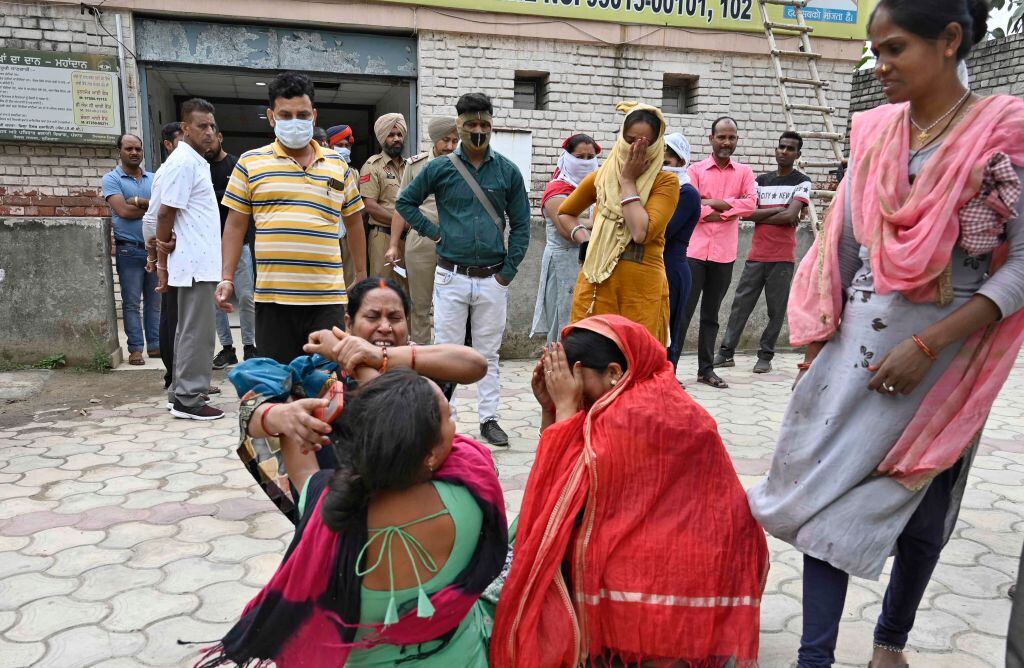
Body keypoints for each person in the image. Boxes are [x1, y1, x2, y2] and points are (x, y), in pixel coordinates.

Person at [747, 1, 1024, 666]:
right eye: (876, 51)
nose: (880, 65)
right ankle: (815, 659)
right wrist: (816, 349)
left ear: (950, 39)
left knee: (922, 511)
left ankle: (889, 644)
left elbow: (1019, 267)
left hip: (947, 362)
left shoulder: (1005, 134)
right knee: (825, 502)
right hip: (855, 356)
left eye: (896, 48)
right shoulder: (875, 133)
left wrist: (928, 344)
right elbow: (841, 246)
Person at [490, 314, 768, 667]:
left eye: (573, 377)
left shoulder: (637, 414)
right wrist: (552, 408)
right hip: (667, 541)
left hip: (684, 558)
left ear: (613, 373)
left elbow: (565, 492)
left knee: (559, 542)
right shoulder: (629, 396)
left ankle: (639, 642)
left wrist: (563, 408)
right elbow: (554, 485)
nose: (567, 387)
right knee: (534, 532)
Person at [199, 371, 509, 667]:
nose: (456, 430)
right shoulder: (469, 503)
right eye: (449, 418)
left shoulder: (325, 507)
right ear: (430, 453)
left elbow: (303, 467)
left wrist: (289, 415)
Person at [230, 277, 489, 520]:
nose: (385, 327)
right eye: (373, 316)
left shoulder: (420, 364)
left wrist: (379, 358)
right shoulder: (317, 370)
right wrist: (279, 416)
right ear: (348, 324)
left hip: (416, 511)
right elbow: (250, 387)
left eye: (395, 318)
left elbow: (475, 364)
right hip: (335, 511)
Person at [395, 93, 531, 447]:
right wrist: (433, 232)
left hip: (492, 278)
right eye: (471, 124)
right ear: (459, 125)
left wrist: (508, 272)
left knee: (488, 353)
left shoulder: (507, 171)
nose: (478, 130)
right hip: (451, 275)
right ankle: (446, 419)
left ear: (492, 125)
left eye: (484, 124)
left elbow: (521, 225)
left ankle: (489, 419)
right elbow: (404, 202)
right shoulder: (439, 168)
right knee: (446, 352)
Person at [217, 71, 368, 364]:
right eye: (285, 115)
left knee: (327, 385)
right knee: (278, 383)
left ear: (314, 115)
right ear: (271, 116)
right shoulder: (250, 163)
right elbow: (235, 226)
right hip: (274, 301)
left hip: (327, 299)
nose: (294, 121)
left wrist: (361, 275)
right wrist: (227, 277)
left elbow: (353, 222)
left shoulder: (338, 166)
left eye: (302, 114)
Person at [559, 103, 680, 345]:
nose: (636, 148)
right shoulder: (602, 177)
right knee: (591, 359)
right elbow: (566, 213)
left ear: (657, 144)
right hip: (596, 284)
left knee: (635, 360)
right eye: (630, 139)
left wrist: (627, 180)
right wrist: (586, 239)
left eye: (645, 142)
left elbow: (640, 231)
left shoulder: (666, 183)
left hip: (640, 291)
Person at [714, 131, 812, 374]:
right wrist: (781, 209)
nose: (784, 152)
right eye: (781, 147)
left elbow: (791, 216)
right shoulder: (761, 181)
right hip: (756, 255)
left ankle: (765, 356)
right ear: (776, 150)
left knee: (775, 310)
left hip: (782, 258)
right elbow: (747, 213)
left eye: (790, 149)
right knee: (740, 306)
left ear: (798, 154)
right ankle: (726, 353)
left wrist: (772, 213)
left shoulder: (802, 181)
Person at [152, 98, 224, 421]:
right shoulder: (184, 162)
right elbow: (165, 211)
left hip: (197, 259)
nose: (209, 132)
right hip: (195, 262)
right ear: (185, 128)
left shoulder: (193, 161)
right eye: (201, 126)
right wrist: (163, 249)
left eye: (212, 126)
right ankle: (190, 399)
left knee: (186, 330)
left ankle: (179, 392)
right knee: (197, 332)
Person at [680, 116, 758, 389]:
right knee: (683, 312)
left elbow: (750, 206)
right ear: (711, 138)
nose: (726, 142)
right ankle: (668, 370)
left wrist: (713, 204)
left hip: (724, 255)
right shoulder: (696, 171)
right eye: (722, 137)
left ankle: (706, 370)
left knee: (711, 315)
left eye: (731, 138)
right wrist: (727, 211)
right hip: (694, 253)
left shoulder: (745, 173)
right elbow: (692, 207)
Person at [385, 116, 460, 344]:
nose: (450, 146)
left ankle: (448, 356)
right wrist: (392, 245)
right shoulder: (416, 165)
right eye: (445, 140)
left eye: (455, 141)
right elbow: (401, 206)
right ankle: (422, 356)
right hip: (421, 241)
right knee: (420, 305)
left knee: (453, 304)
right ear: (435, 139)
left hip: (456, 241)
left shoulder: (464, 165)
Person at [530, 133, 601, 344]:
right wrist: (598, 223)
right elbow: (565, 227)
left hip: (592, 263)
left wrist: (583, 220)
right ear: (568, 157)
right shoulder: (557, 189)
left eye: (590, 157)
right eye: (580, 156)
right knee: (562, 324)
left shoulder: (599, 188)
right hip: (563, 265)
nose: (585, 162)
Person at [102, 133, 158, 366]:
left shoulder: (154, 178)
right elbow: (123, 212)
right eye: (129, 149)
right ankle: (135, 348)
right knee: (131, 302)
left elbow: (163, 208)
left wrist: (137, 201)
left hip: (155, 249)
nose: (134, 153)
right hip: (129, 251)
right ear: (119, 152)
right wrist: (150, 206)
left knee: (155, 302)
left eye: (138, 148)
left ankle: (155, 346)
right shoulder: (111, 179)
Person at [207, 130, 257, 369]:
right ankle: (227, 348)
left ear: (220, 136)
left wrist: (215, 197)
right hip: (208, 246)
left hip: (240, 245)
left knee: (247, 296)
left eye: (211, 138)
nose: (207, 143)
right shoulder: (200, 168)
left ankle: (250, 346)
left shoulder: (237, 165)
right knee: (216, 300)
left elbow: (245, 202)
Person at [147, 122, 182, 390]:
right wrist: (157, 253)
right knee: (173, 317)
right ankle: (175, 378)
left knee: (175, 317)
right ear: (168, 145)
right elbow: (157, 215)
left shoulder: (179, 168)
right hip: (168, 248)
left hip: (172, 248)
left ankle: (177, 377)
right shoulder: (170, 170)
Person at [662, 132, 702, 369]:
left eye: (667, 162)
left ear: (681, 162)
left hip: (672, 269)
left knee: (669, 328)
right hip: (654, 266)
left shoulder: (687, 193)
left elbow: (662, 231)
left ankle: (668, 379)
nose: (662, 167)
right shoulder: (659, 189)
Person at [362, 113, 408, 291]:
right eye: (391, 135)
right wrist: (401, 224)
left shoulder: (410, 166)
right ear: (382, 138)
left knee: (407, 291)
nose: (396, 139)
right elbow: (370, 206)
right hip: (383, 237)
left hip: (408, 240)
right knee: (382, 289)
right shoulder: (372, 166)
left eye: (399, 134)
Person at [327, 123, 359, 287]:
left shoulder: (354, 173)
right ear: (329, 146)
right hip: (326, 234)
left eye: (347, 146)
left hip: (347, 236)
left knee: (348, 280)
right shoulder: (321, 169)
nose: (344, 149)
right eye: (340, 145)